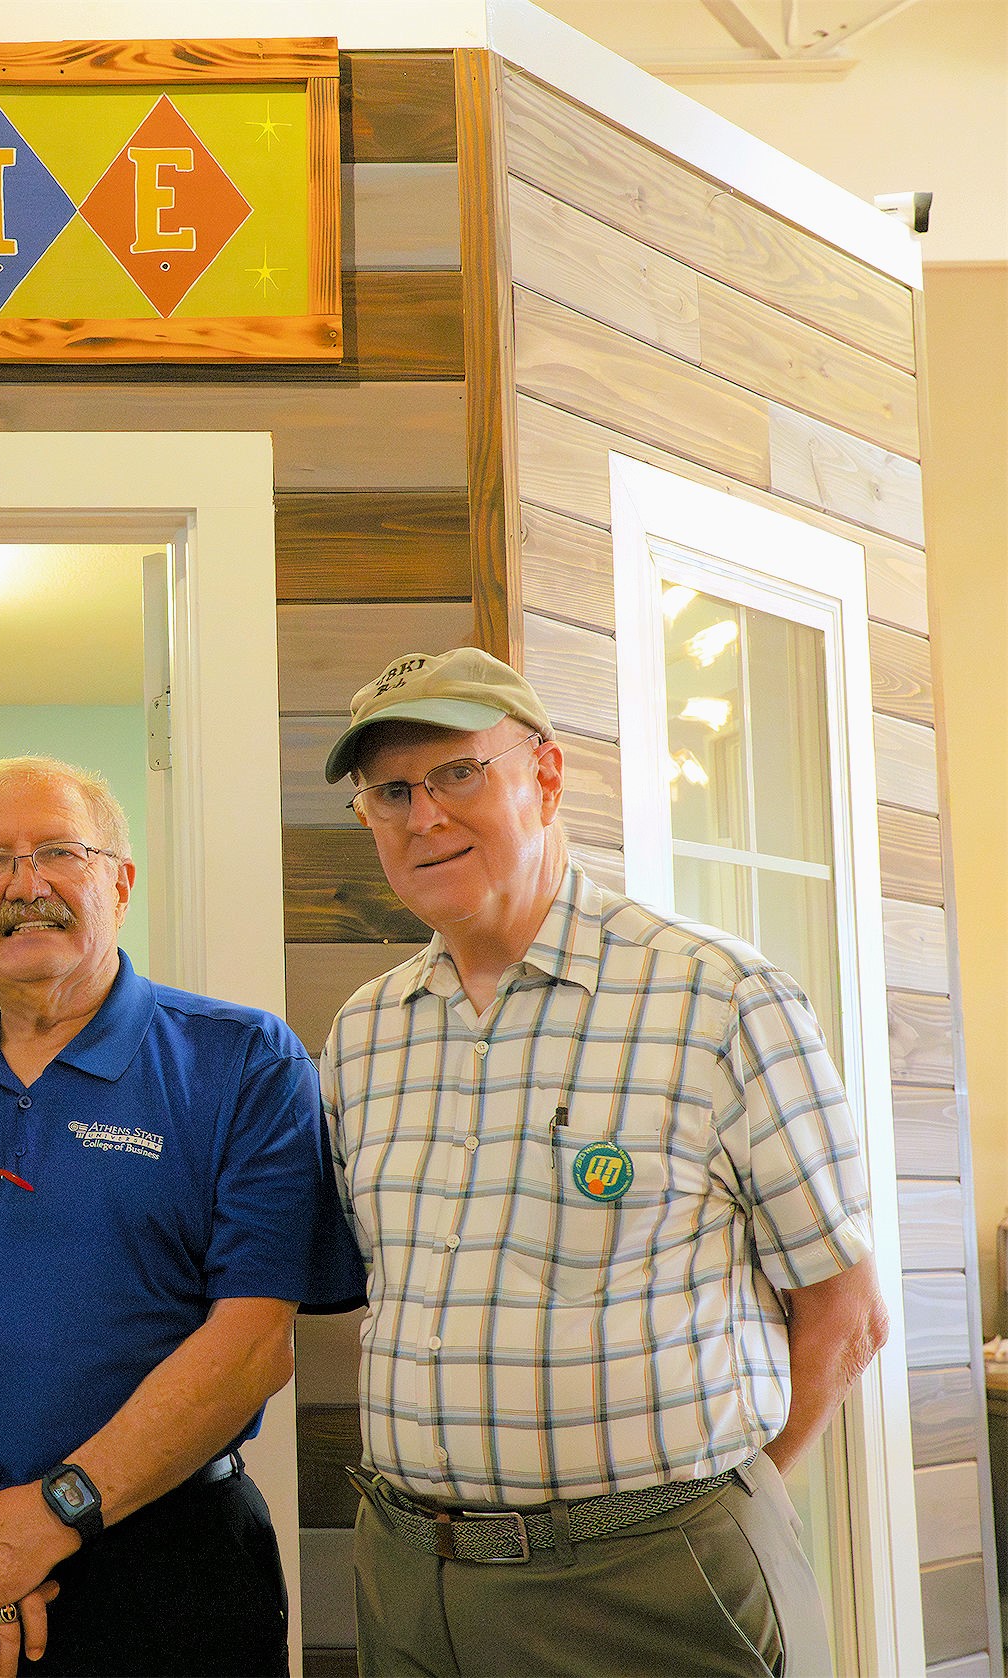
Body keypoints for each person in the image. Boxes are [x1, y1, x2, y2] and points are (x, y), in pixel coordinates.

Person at [318, 647, 888, 1677]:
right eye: (392, 791)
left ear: (544, 776)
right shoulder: (365, 1033)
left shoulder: (716, 996)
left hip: (654, 1587)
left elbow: (846, 1313)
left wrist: (718, 1512)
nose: (424, 816)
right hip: (410, 1584)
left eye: (459, 773)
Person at [0, 756, 364, 1678]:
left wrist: (43, 1520)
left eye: (59, 851)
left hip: (164, 1575)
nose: (26, 885)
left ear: (121, 881)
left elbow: (254, 1344)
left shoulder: (243, 1062)